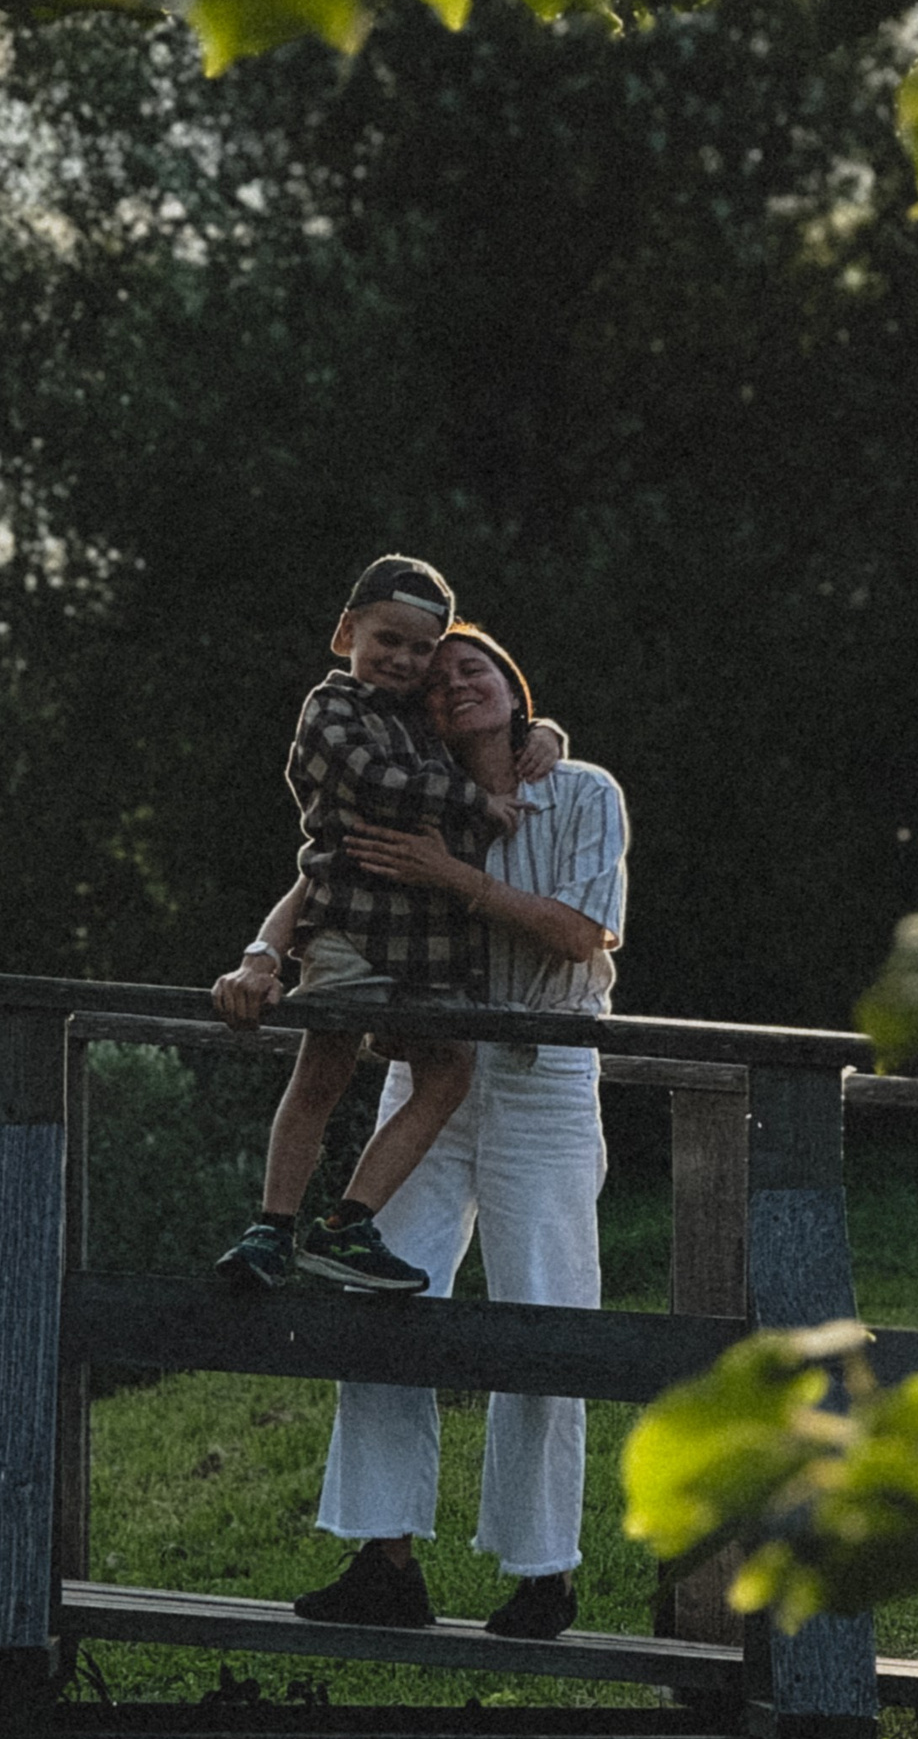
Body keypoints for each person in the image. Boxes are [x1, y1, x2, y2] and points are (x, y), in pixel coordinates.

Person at [214, 621, 626, 1643]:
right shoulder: (412, 784)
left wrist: (453, 876)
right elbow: (325, 872)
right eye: (438, 681)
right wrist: (264, 952)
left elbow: (582, 931)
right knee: (381, 1289)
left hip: (540, 1077)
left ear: (513, 681)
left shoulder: (581, 791)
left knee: (544, 1314)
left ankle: (541, 1573)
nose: (455, 685)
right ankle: (384, 1557)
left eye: (473, 667)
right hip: (427, 1071)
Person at [214, 554, 519, 1299]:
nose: (406, 660)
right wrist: (477, 801)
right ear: (347, 629)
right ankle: (272, 1224)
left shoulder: (419, 712)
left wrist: (540, 738)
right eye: (389, 639)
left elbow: (496, 718)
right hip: (351, 924)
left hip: (425, 944)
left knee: (449, 1070)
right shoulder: (331, 708)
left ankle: (348, 1222)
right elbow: (377, 782)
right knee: (325, 1065)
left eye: (422, 649)